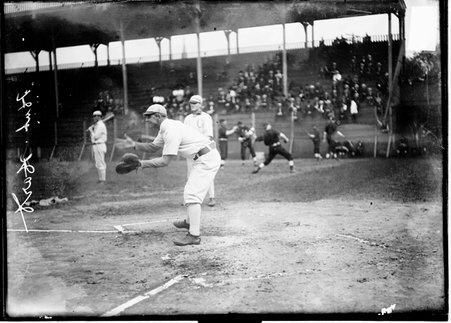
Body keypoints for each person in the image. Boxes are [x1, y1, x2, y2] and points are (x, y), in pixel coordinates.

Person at [123, 104, 220, 246]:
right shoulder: (165, 127)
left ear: (158, 116)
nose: (147, 119)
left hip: (206, 158)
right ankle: (188, 222)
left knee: (192, 195)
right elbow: (153, 146)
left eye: (149, 116)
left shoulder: (170, 129)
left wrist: (141, 164)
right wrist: (134, 145)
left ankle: (194, 235)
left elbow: (165, 161)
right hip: (202, 157)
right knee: (190, 192)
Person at [183, 95, 216, 207]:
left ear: (201, 104)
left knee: (205, 173)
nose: (193, 105)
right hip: (190, 150)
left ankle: (211, 197)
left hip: (202, 149)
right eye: (191, 103)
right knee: (190, 175)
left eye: (195, 103)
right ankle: (189, 199)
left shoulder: (206, 117)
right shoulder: (187, 118)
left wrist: (202, 150)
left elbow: (209, 136)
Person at [87, 110, 107, 184]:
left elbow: (95, 136)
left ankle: (103, 180)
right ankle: (100, 179)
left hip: (100, 145)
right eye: (94, 116)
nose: (94, 117)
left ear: (99, 117)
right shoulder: (97, 125)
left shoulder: (101, 125)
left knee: (101, 163)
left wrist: (91, 130)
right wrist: (92, 129)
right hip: (96, 145)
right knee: (98, 163)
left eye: (96, 116)